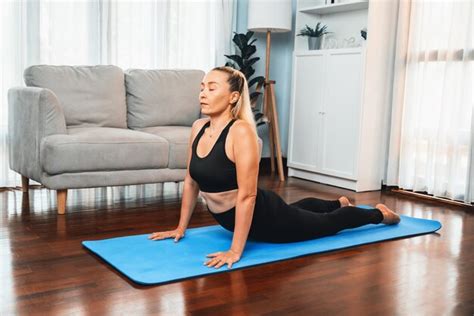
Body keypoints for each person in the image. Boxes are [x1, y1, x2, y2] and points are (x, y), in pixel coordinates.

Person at [149, 66, 400, 269]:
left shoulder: (241, 132)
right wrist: (180, 228)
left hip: (265, 218)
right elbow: (192, 181)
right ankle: (337, 202)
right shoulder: (198, 127)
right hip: (233, 219)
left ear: (233, 97)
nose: (202, 93)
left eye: (211, 88)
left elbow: (247, 195)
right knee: (299, 212)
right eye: (202, 87)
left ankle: (379, 215)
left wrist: (236, 251)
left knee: (326, 226)